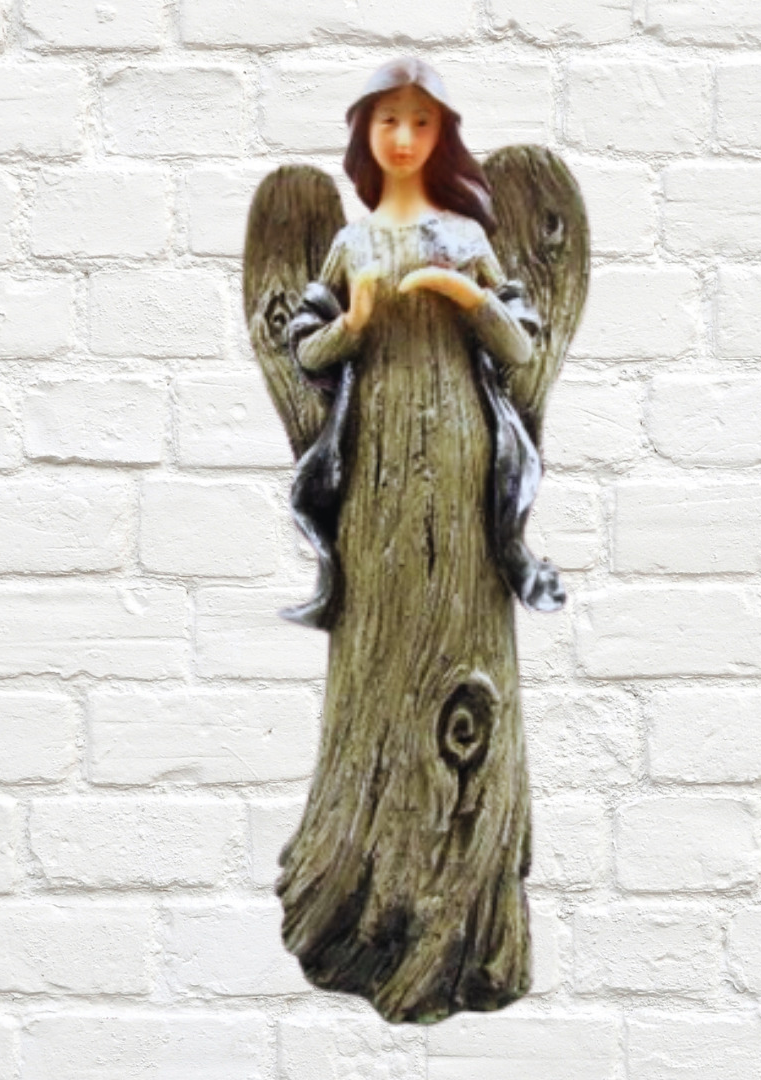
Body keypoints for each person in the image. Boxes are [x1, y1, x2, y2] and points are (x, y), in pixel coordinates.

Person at [275, 57, 551, 1022]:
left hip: (461, 461)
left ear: (441, 136)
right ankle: (363, 869)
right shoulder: (350, 243)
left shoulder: (469, 238)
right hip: (377, 467)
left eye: (420, 122)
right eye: (387, 121)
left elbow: (522, 349)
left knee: (461, 638)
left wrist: (470, 299)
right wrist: (352, 321)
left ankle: (468, 894)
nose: (403, 137)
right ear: (366, 133)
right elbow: (307, 354)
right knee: (382, 641)